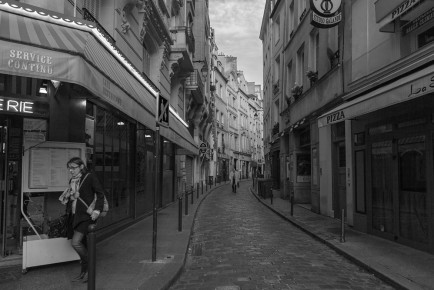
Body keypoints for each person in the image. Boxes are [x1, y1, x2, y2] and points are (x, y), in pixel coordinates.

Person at [59, 157, 105, 283]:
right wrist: (73, 196)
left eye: (73, 167)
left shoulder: (89, 177)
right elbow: (73, 198)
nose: (71, 170)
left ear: (81, 166)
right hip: (75, 216)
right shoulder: (72, 180)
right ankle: (84, 272)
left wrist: (97, 210)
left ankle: (89, 266)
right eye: (69, 168)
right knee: (83, 244)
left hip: (87, 216)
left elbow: (100, 194)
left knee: (76, 242)